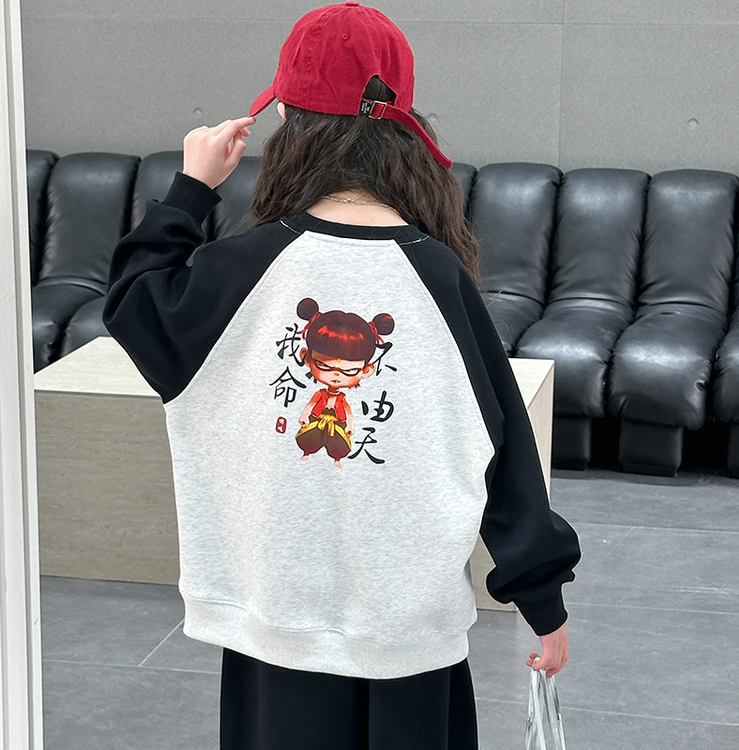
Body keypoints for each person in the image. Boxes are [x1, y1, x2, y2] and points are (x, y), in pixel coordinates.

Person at [103, 2, 581, 748]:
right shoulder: (439, 278)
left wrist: (191, 188)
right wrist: (541, 601)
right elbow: (503, 453)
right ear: (405, 129)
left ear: (287, 122)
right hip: (410, 640)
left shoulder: (239, 269)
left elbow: (135, 302)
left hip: (276, 630)